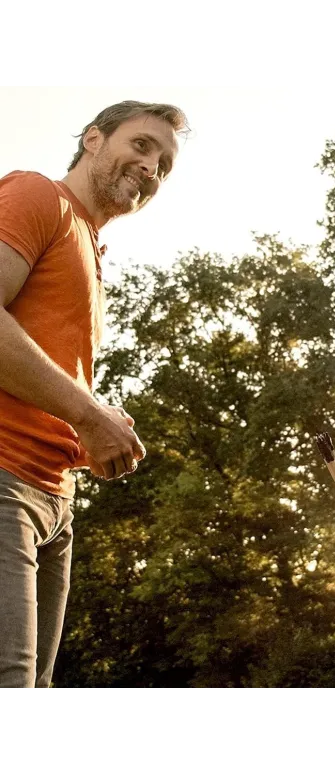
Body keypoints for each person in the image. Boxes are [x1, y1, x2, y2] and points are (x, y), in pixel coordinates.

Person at [0, 100, 189, 687]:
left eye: (163, 164)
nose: (151, 166)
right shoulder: (39, 196)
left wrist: (89, 427)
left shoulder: (91, 246)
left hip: (54, 502)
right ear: (93, 139)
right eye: (141, 145)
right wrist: (88, 413)